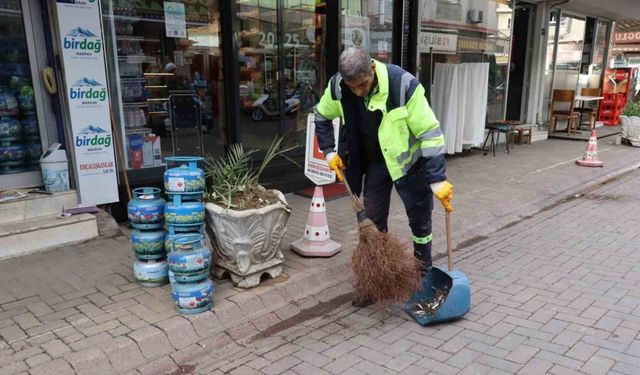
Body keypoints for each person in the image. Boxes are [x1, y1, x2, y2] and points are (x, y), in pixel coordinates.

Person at [314, 47, 454, 307]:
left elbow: (430, 133)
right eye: (352, 86)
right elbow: (321, 115)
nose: (358, 91)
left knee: (420, 225)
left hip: (409, 166)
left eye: (362, 85)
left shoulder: (404, 85)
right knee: (373, 224)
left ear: (373, 68)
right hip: (373, 164)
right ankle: (375, 283)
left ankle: (422, 281)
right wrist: (329, 151)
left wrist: (437, 179)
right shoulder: (338, 87)